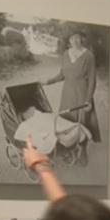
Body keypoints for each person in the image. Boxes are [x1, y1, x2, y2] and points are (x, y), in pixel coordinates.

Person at [42, 31, 101, 165]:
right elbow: (62, 75)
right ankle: (69, 148)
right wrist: (48, 81)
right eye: (71, 38)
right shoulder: (65, 54)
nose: (74, 41)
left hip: (81, 92)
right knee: (67, 121)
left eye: (77, 38)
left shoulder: (89, 56)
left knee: (82, 122)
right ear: (69, 40)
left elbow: (92, 80)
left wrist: (88, 100)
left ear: (82, 39)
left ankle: (83, 151)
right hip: (67, 92)